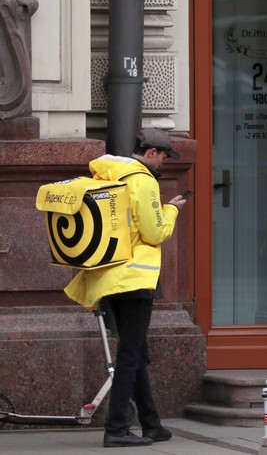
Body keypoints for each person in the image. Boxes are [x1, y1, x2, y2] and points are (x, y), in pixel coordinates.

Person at [64, 128, 187, 447]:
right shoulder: (142, 179)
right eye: (163, 156)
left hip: (107, 277)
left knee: (136, 350)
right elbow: (154, 232)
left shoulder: (107, 174)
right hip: (134, 280)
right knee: (130, 354)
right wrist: (172, 210)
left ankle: (151, 424)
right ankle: (116, 428)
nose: (164, 163)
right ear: (150, 153)